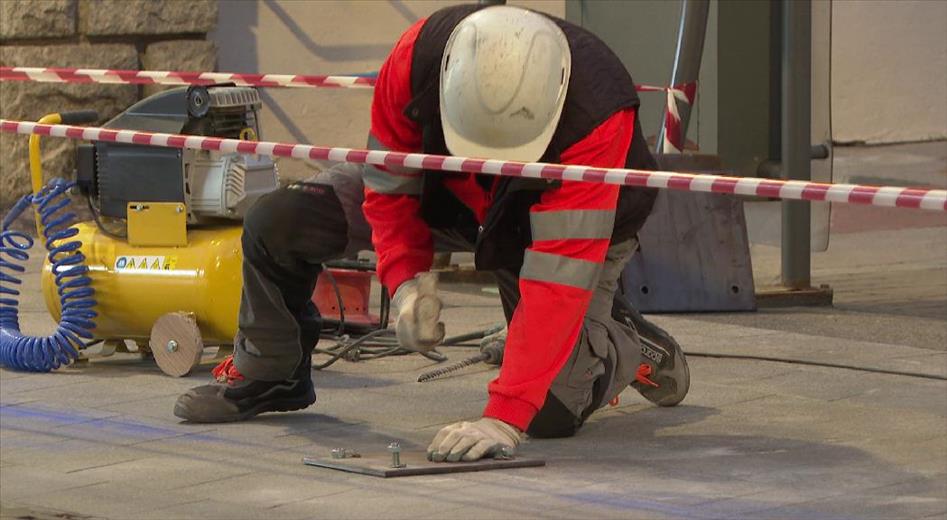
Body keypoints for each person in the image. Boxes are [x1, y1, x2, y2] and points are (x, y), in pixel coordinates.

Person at [174, 4, 689, 463]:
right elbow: (390, 191)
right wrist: (405, 282)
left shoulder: (597, 113)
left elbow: (558, 275)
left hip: (545, 225)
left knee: (548, 413)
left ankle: (623, 342)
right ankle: (271, 372)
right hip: (444, 194)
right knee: (279, 220)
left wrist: (504, 415)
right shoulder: (415, 60)